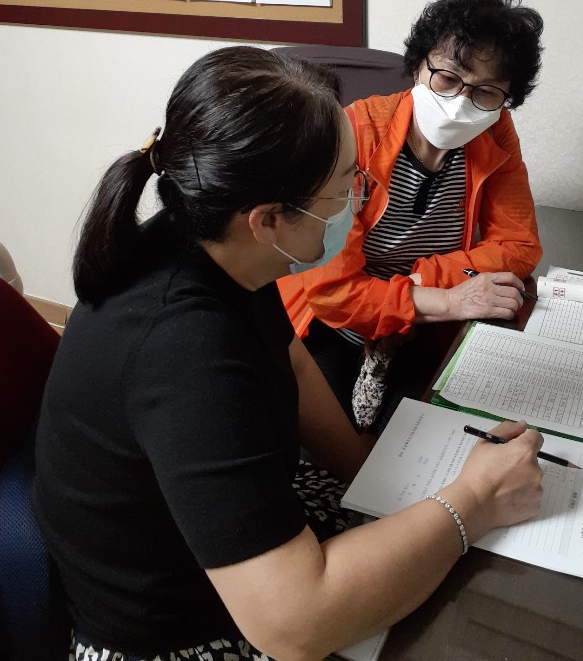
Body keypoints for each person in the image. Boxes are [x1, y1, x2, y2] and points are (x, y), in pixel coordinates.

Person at [34, 45, 543, 661]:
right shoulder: (184, 352)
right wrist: (475, 502)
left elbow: (292, 360)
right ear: (268, 220)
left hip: (242, 558)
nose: (359, 201)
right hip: (182, 631)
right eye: (345, 189)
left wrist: (368, 473)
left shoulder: (219, 246)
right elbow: (294, 626)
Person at [278, 0, 545, 429]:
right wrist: (447, 298)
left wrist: (421, 284)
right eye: (448, 78)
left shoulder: (495, 131)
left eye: (486, 92)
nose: (460, 103)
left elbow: (519, 245)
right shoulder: (353, 133)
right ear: (419, 64)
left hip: (427, 322)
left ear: (506, 98)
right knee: (331, 435)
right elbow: (333, 293)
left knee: (441, 428)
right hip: (336, 325)